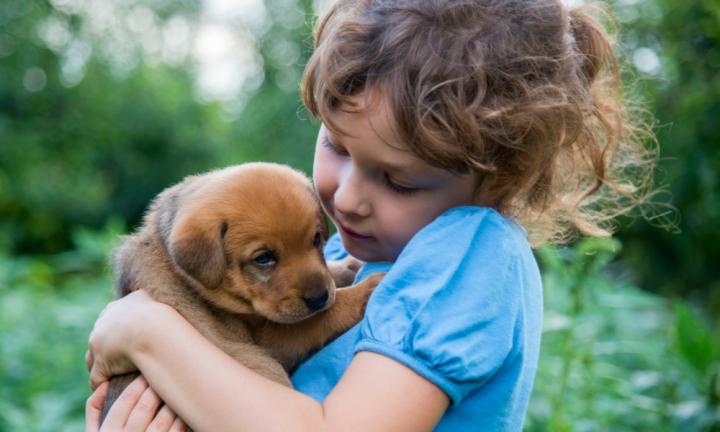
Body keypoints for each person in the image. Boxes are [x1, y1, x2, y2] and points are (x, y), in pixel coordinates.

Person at [85, 0, 655, 430]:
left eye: (398, 179)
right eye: (336, 145)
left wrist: (146, 330)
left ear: (497, 176)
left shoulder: (471, 257)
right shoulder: (342, 255)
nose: (349, 199)